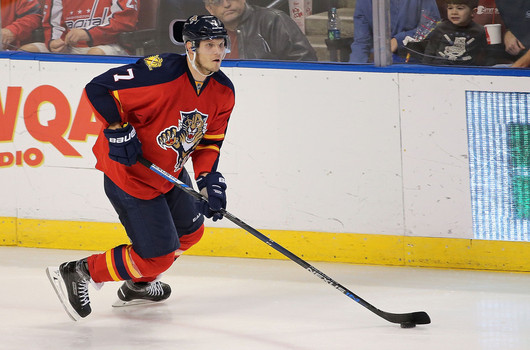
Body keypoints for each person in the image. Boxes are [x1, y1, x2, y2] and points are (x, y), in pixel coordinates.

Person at [46, 15, 235, 320]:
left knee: (191, 232)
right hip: (130, 175)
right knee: (157, 256)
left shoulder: (224, 90)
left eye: (222, 44)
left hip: (170, 173)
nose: (218, 52)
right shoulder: (158, 72)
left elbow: (209, 141)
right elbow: (98, 88)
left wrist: (208, 178)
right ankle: (80, 272)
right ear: (190, 47)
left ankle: (137, 286)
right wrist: (117, 127)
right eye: (210, 45)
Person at [203, 0, 317, 61]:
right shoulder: (205, 34)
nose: (226, 4)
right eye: (218, 1)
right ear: (210, 9)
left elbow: (306, 63)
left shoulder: (273, 20)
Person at [20, 0, 138, 55]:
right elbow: (52, 24)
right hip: (71, 47)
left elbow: (125, 21)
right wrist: (53, 42)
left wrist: (87, 33)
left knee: (95, 53)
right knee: (26, 51)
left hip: (111, 45)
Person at [349, 0, 441, 63]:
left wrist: (400, 40)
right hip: (378, 64)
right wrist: (354, 72)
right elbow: (361, 42)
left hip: (413, 64)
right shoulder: (364, 2)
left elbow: (432, 24)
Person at [422, 0, 487, 65]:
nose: (454, 12)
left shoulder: (480, 31)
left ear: (473, 12)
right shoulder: (440, 28)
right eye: (450, 8)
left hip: (467, 72)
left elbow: (486, 56)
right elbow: (429, 53)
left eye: (460, 8)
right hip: (439, 70)